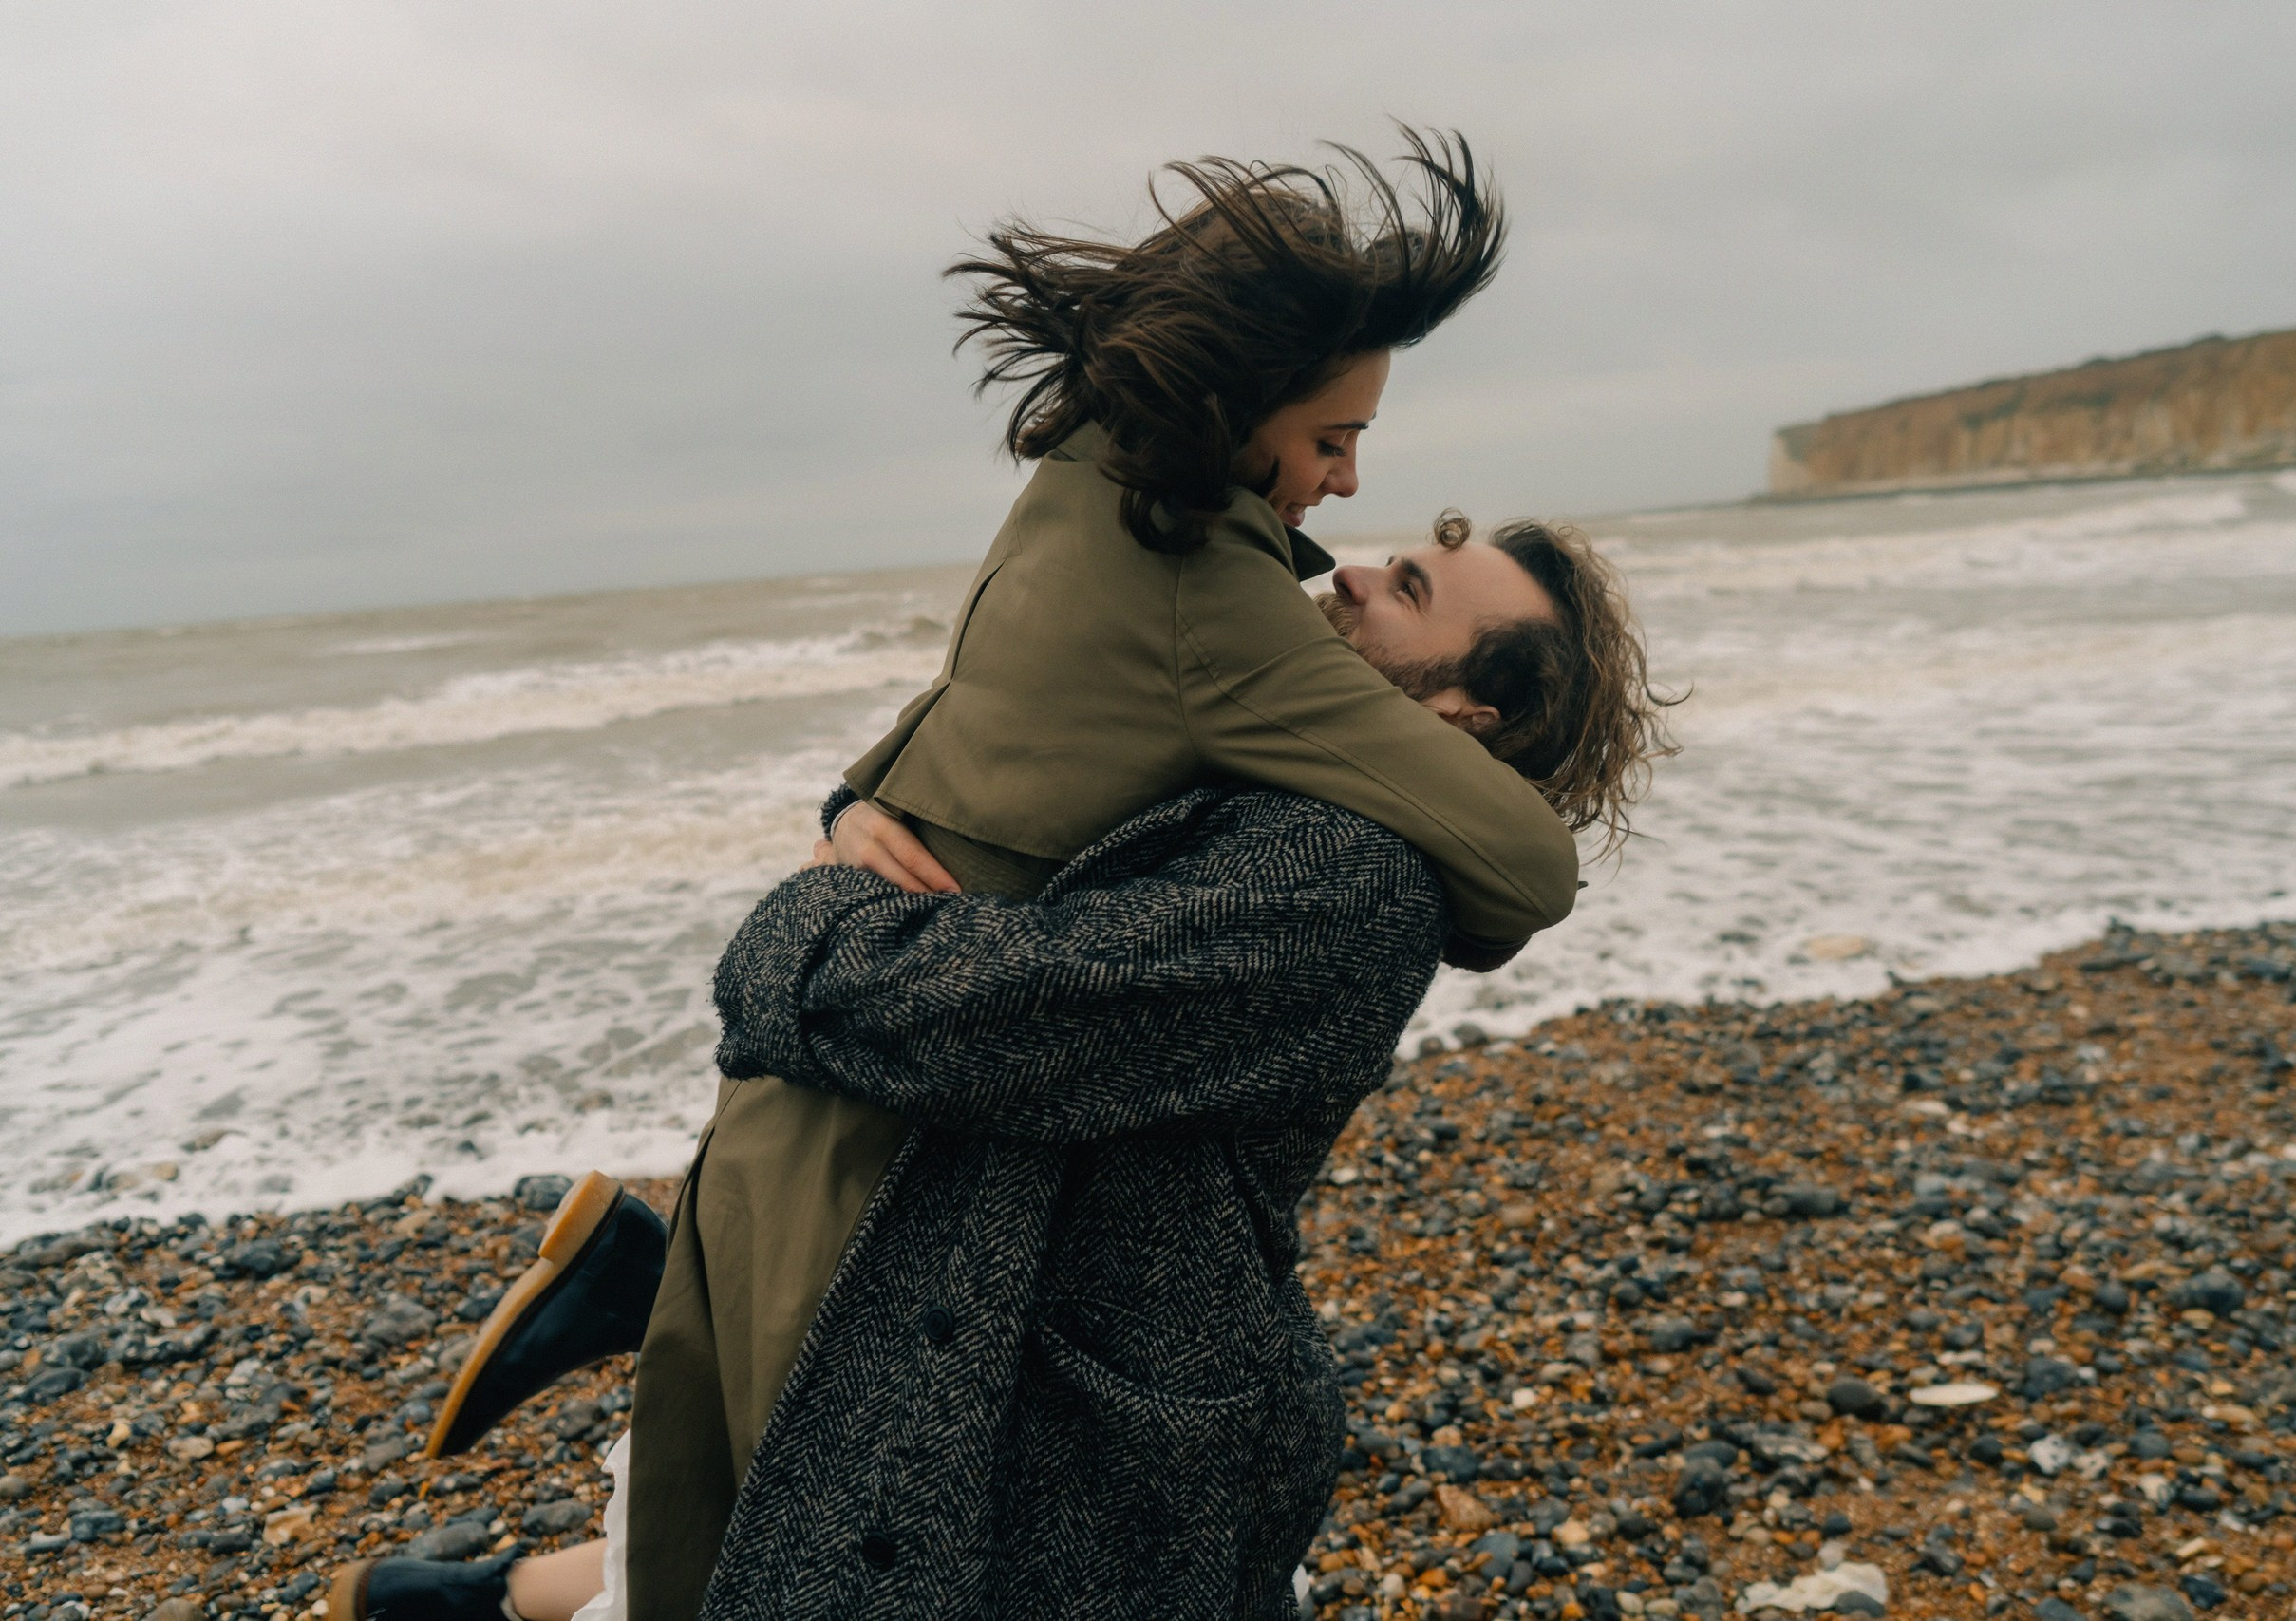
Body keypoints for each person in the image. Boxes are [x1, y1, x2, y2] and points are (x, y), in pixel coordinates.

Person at [329, 512, 1671, 1620]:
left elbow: (986, 1017)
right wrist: (859, 813)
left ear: (1462, 709)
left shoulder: (1349, 879)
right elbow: (1017, 768)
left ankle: (541, 1486)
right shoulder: (1270, 756)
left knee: (785, 1533)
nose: (1357, 567)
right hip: (1014, 1306)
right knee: (775, 1525)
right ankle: (570, 1435)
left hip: (1099, 1408)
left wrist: (791, 923)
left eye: (1411, 590)